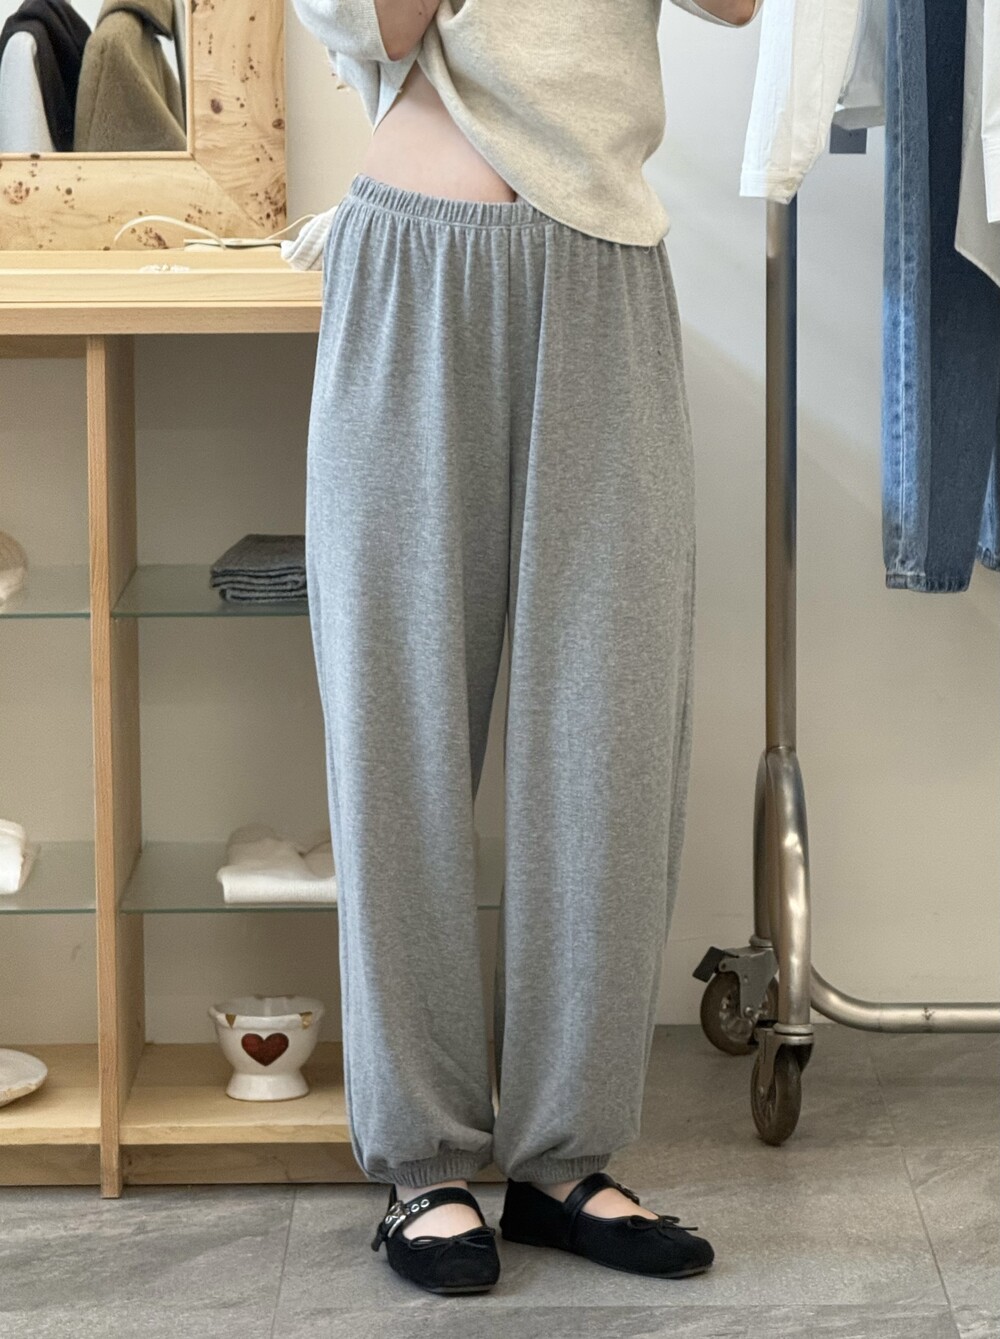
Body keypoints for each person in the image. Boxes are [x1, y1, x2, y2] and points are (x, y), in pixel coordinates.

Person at [294, 0, 761, 1297]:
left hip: (604, 272)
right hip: (415, 260)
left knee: (610, 728)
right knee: (400, 728)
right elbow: (383, 24)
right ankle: (422, 1163)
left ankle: (564, 1158)